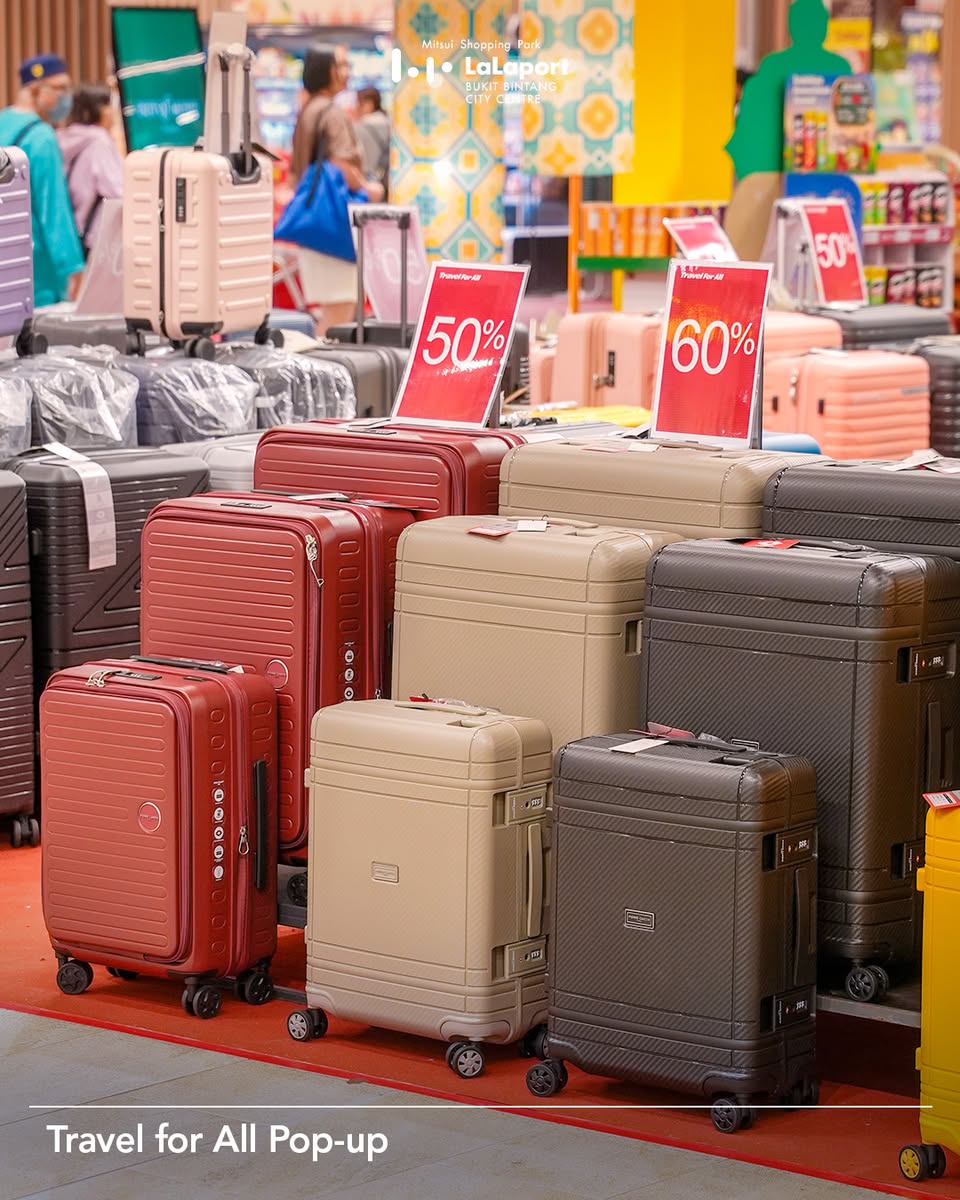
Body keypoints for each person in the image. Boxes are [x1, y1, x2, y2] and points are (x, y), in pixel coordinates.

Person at [288, 43, 383, 332]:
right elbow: (342, 163)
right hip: (336, 226)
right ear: (327, 70)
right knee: (340, 314)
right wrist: (370, 188)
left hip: (316, 225)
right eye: (342, 65)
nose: (347, 72)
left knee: (333, 310)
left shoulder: (309, 110)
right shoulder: (333, 113)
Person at [0, 54, 85, 306]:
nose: (67, 97)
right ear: (36, 90)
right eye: (60, 88)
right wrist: (72, 267)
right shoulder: (41, 137)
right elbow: (54, 208)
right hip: (36, 272)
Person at [57, 83, 124, 259]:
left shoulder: (65, 138)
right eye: (109, 105)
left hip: (76, 231)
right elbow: (118, 191)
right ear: (98, 109)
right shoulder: (99, 141)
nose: (114, 111)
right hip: (98, 237)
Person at [355, 87, 390, 201]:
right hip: (387, 181)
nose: (356, 108)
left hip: (366, 183)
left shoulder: (359, 128)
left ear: (368, 104)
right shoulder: (390, 125)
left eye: (358, 103)